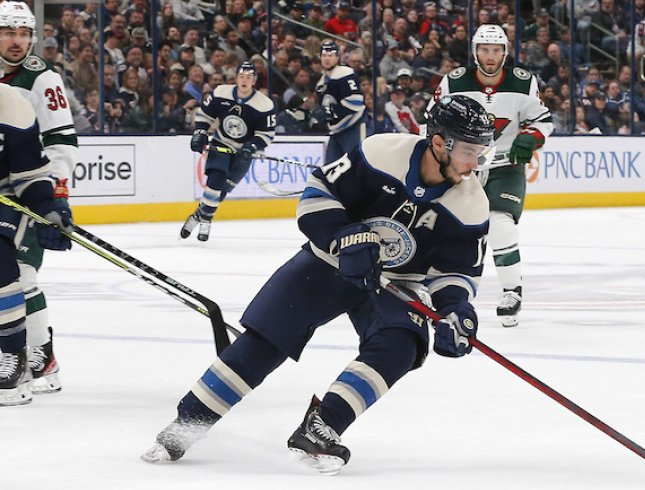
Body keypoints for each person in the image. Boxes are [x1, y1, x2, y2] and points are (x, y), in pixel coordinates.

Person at [141, 95, 495, 474]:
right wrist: (344, 237)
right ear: (439, 143)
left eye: (481, 151)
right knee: (266, 339)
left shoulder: (472, 204)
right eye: (470, 151)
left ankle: (323, 425)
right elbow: (316, 197)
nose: (476, 163)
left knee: (402, 344)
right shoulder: (381, 152)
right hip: (330, 261)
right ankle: (187, 423)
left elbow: (455, 274)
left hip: (396, 282)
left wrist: (455, 310)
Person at [428, 24, 553, 328]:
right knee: (442, 227)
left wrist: (531, 137)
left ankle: (512, 291)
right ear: (475, 51)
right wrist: (443, 154)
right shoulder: (454, 81)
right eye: (484, 49)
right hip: (462, 167)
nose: (490, 56)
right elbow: (429, 121)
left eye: (496, 50)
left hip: (505, 165)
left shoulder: (523, 83)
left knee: (500, 226)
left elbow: (542, 120)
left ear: (505, 53)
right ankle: (436, 289)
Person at [0, 1, 78, 395]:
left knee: (19, 273)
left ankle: (36, 355)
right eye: (9, 33)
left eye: (24, 34)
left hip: (28, 192)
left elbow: (62, 142)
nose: (18, 42)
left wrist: (57, 198)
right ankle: (39, 354)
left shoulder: (40, 78)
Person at [182, 60, 275, 241]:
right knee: (215, 180)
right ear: (236, 78)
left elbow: (267, 133)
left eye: (249, 77)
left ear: (254, 80)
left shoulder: (264, 105)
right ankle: (207, 221)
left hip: (243, 152)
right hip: (221, 143)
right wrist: (201, 132)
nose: (244, 80)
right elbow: (205, 114)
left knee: (222, 191)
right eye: (241, 76)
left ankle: (197, 216)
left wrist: (253, 145)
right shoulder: (220, 93)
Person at [316, 40, 365, 164]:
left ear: (337, 57)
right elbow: (325, 107)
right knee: (330, 169)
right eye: (324, 55)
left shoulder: (345, 74)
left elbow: (355, 102)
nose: (327, 59)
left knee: (355, 167)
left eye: (330, 55)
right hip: (336, 131)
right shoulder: (321, 83)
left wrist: (332, 112)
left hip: (352, 127)